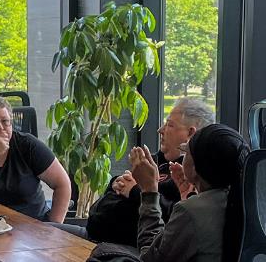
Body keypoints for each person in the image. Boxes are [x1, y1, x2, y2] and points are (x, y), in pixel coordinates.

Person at [79, 97, 214, 245]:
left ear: (190, 134)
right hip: (94, 236)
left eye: (169, 125)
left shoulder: (192, 177)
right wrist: (116, 183)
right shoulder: (154, 162)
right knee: (49, 232)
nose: (160, 130)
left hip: (128, 249)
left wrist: (136, 191)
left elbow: (175, 217)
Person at [128, 124, 250, 261]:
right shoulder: (248, 201)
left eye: (186, 152)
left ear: (194, 168)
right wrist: (192, 196)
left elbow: (149, 258)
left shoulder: (192, 211)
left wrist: (149, 191)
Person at [0, 94, 71, 223]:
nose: (0, 127)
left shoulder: (28, 145)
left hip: (32, 227)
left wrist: (53, 227)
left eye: (5, 121)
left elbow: (62, 184)